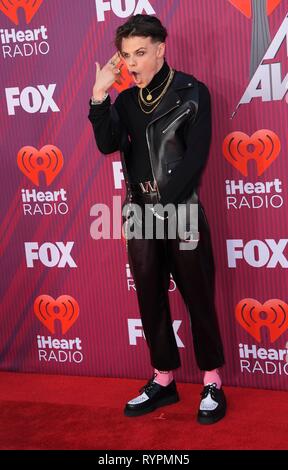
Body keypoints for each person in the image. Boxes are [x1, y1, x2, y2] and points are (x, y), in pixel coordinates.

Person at [88, 14, 226, 424]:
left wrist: (163, 205)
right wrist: (99, 96)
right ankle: (164, 378)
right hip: (139, 215)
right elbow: (107, 144)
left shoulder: (192, 92)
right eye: (127, 56)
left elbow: (195, 159)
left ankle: (212, 380)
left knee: (198, 298)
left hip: (180, 212)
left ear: (161, 48)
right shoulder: (127, 101)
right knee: (149, 299)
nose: (133, 64)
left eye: (141, 53)